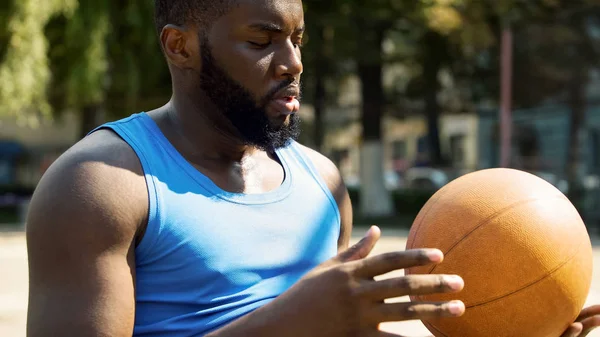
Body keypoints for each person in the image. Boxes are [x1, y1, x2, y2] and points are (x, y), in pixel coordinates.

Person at [25, 0, 600, 336]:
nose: (293, 62)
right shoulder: (99, 185)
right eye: (263, 40)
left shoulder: (321, 182)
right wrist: (288, 323)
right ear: (180, 46)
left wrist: (510, 326)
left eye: (298, 39)